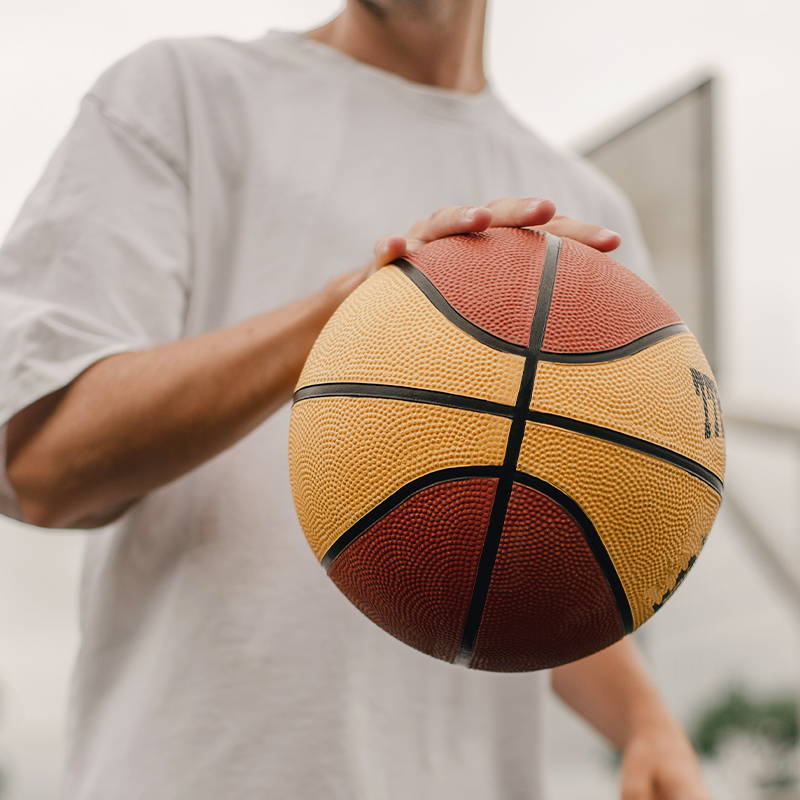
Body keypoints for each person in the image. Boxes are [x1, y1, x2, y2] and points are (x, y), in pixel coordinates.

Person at [0, 0, 710, 797]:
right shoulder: (182, 95)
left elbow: (542, 540)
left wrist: (647, 722)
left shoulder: (591, 215)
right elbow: (40, 466)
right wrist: (351, 316)